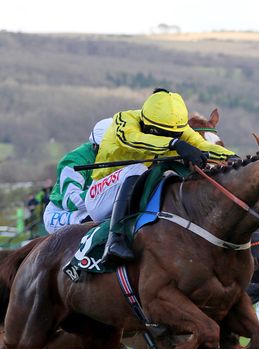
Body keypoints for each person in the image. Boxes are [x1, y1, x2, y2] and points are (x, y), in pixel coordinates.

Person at [87, 88, 234, 263]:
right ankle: (114, 239)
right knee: (138, 169)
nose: (171, 136)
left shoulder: (175, 127)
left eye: (175, 134)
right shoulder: (124, 120)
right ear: (150, 126)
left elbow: (201, 144)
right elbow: (134, 140)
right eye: (165, 134)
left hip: (134, 189)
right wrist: (175, 143)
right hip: (100, 195)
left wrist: (231, 157)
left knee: (170, 173)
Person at [43, 118, 112, 234]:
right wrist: (103, 191)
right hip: (63, 213)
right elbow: (71, 201)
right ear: (96, 146)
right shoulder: (74, 161)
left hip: (91, 209)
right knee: (97, 220)